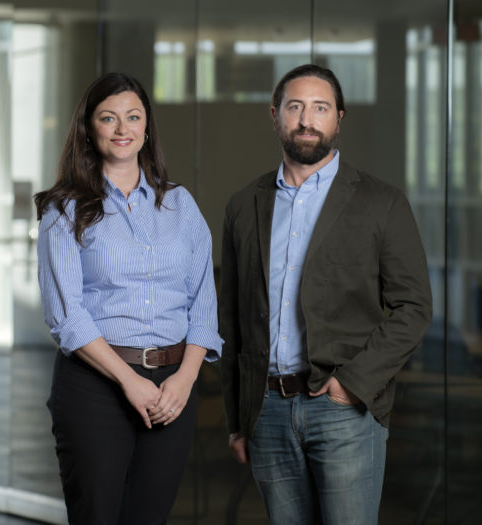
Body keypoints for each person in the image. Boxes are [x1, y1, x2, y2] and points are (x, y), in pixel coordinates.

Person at [219, 64, 433, 524]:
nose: (306, 120)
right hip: (268, 412)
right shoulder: (244, 204)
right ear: (275, 115)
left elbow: (414, 308)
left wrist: (349, 386)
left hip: (343, 411)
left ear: (339, 118)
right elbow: (232, 319)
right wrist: (237, 419)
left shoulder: (381, 202)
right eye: (295, 107)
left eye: (320, 108)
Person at [35, 72, 222, 525]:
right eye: (109, 118)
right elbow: (68, 317)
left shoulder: (181, 205)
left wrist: (184, 380)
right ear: (89, 128)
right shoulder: (64, 210)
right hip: (95, 388)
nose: (123, 129)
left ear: (146, 126)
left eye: (133, 117)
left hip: (172, 390)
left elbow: (203, 305)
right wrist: (128, 380)